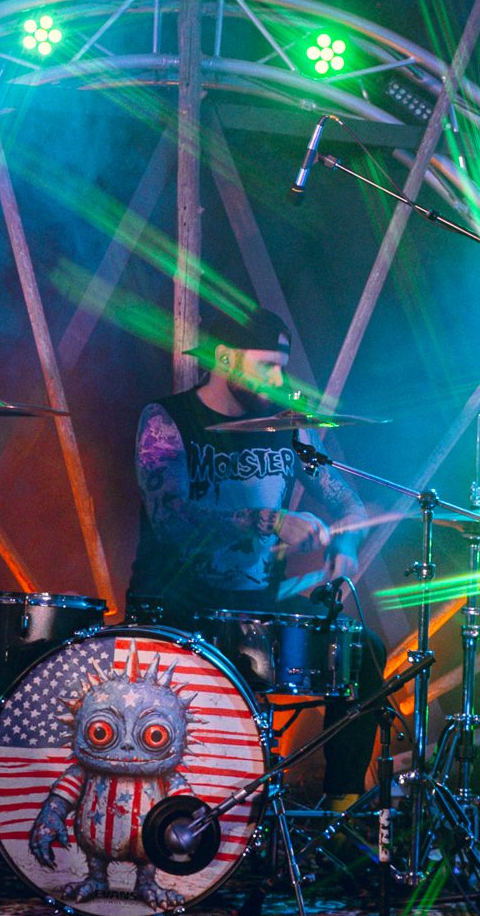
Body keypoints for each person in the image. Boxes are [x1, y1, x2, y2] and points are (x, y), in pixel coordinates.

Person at [125, 307, 380, 810]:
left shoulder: (287, 429)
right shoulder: (168, 420)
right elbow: (171, 520)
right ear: (224, 358)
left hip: (256, 610)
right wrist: (268, 519)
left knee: (362, 652)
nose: (279, 381)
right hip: (177, 609)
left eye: (282, 368)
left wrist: (345, 545)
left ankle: (340, 809)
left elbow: (348, 503)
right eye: (267, 366)